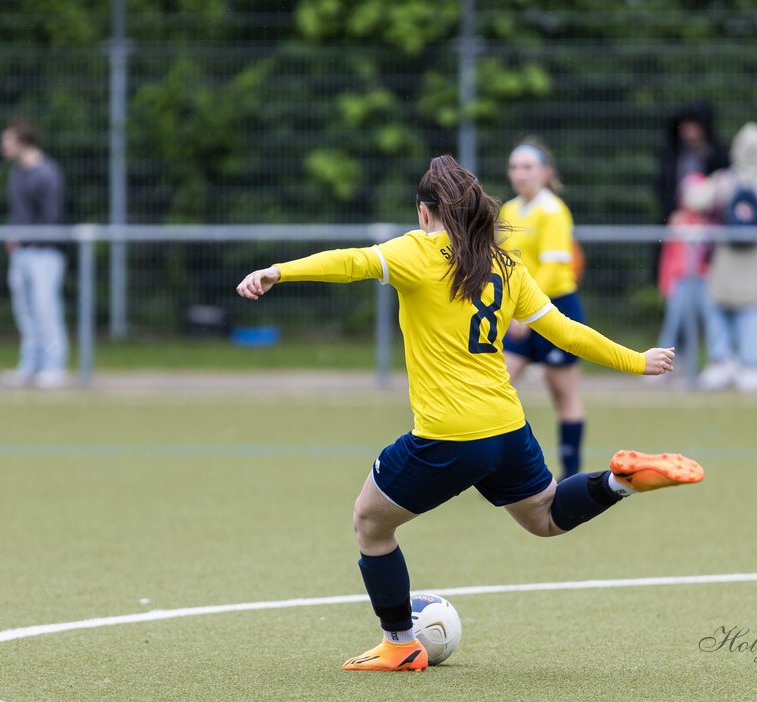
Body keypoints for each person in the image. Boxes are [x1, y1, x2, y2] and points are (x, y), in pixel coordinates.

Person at [235, 155, 704, 672]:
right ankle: (619, 482)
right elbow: (567, 331)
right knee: (545, 517)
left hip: (449, 435)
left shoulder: (417, 251)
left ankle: (399, 643)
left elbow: (351, 262)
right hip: (507, 426)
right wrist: (637, 361)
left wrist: (279, 271)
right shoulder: (505, 264)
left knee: (370, 524)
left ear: (424, 212)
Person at [499, 139, 586, 479]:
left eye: (527, 167)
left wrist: (526, 311)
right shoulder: (508, 210)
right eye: (514, 167)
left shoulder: (553, 211)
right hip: (521, 310)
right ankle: (500, 467)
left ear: (546, 172)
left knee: (562, 394)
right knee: (499, 384)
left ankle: (571, 472)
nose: (519, 174)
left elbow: (551, 269)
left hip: (555, 307)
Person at [687, 122, 757, 392]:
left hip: (725, 261)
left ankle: (723, 363)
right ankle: (748, 365)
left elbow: (693, 199)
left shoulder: (724, 180)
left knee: (721, 311)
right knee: (753, 313)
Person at [0, 118, 68, 389]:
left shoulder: (46, 173)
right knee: (25, 312)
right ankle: (30, 364)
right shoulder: (16, 173)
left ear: (22, 142)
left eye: (7, 141)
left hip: (44, 254)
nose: (3, 146)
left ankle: (54, 366)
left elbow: (51, 218)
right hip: (21, 253)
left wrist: (24, 236)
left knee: (45, 310)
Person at [655, 172, 710, 385]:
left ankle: (697, 367)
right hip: (679, 279)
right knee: (674, 323)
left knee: (703, 325)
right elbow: (668, 256)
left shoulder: (707, 222)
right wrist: (665, 281)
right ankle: (659, 367)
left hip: (702, 279)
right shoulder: (678, 220)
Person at [655, 102, 730, 224]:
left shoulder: (717, 154)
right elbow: (663, 188)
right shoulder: (672, 155)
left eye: (694, 127)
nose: (689, 133)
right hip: (678, 219)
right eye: (686, 127)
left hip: (710, 219)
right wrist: (673, 213)